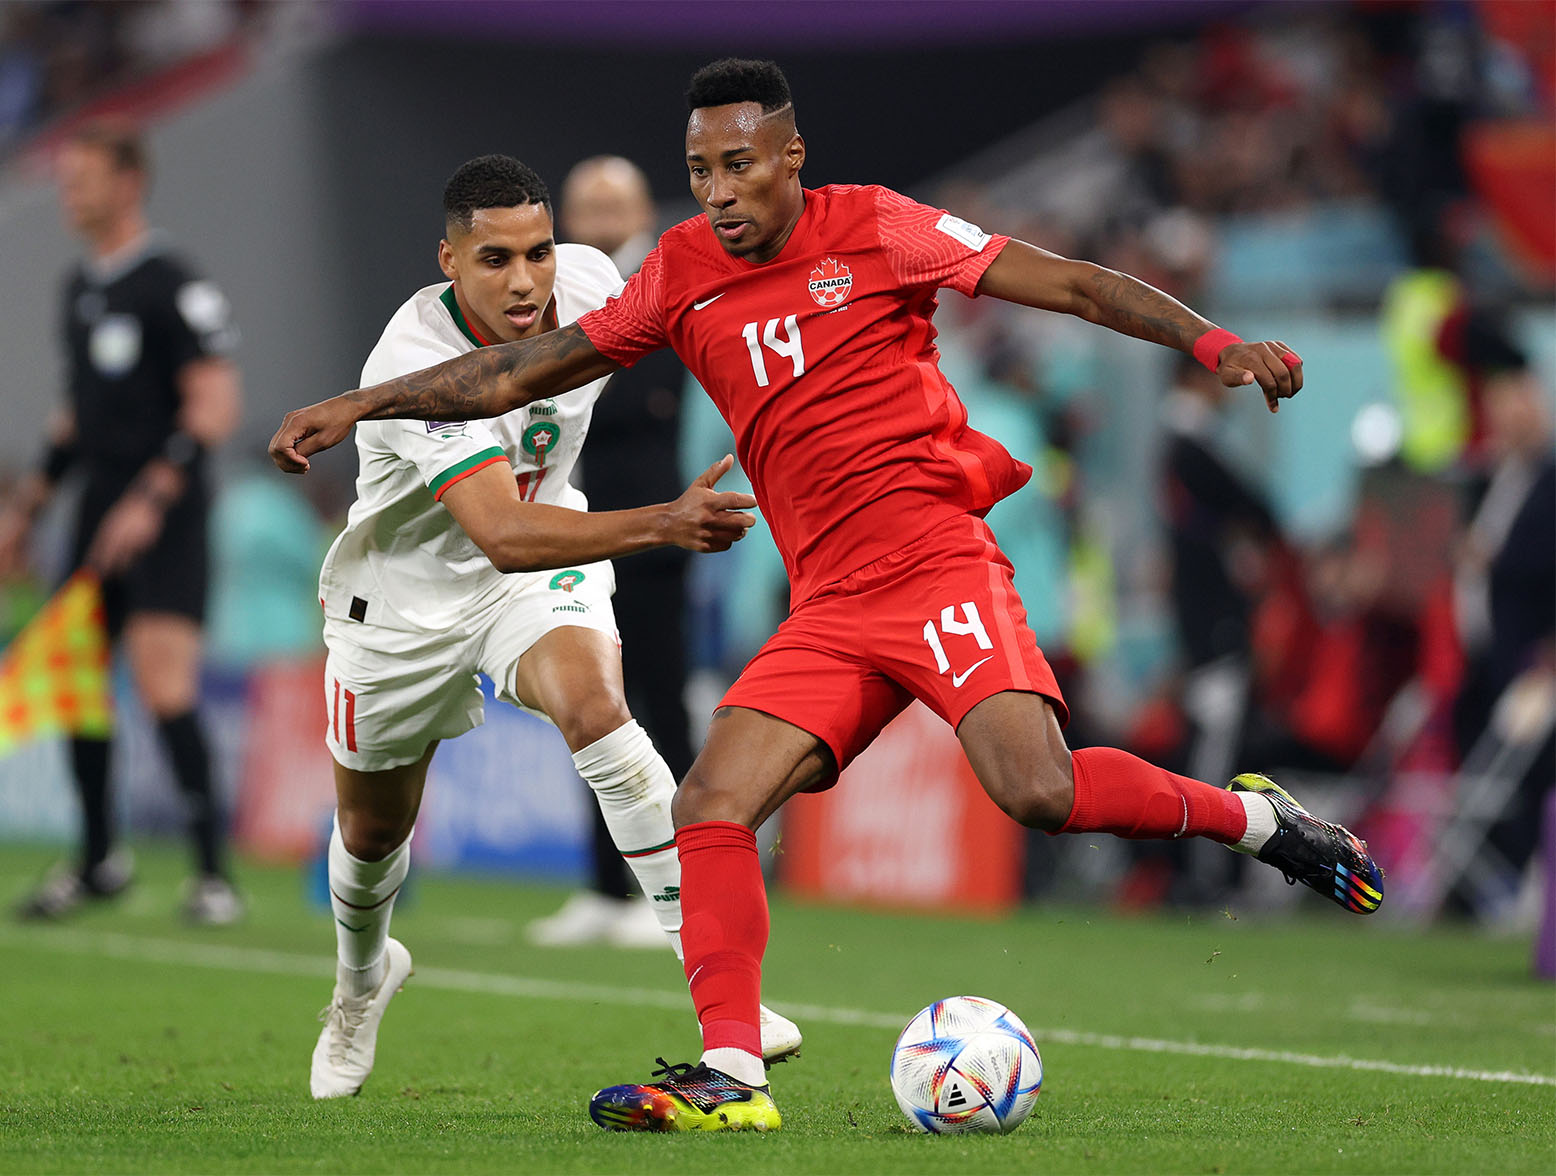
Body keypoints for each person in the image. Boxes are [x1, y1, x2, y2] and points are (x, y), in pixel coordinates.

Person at [269, 60, 1385, 1133]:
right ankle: (730, 1071)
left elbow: (1076, 283)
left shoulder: (880, 226)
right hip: (830, 606)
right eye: (699, 170)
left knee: (1035, 791)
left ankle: (1253, 819)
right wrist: (357, 404)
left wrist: (1211, 339)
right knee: (708, 805)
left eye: (738, 166)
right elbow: (510, 374)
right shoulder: (678, 271)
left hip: (937, 561)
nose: (718, 193)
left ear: (790, 156)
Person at [304, 154, 801, 1101]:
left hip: (541, 566)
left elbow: (708, 313)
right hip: (404, 603)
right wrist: (660, 522)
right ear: (447, 260)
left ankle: (724, 1002)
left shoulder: (589, 281)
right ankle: (361, 983)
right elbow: (498, 531)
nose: (526, 280)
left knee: (599, 709)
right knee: (372, 834)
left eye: (537, 250)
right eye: (495, 259)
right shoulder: (410, 359)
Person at [1, 119, 243, 925]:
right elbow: (77, 414)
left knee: (162, 680)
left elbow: (215, 401)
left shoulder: (171, 281)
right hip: (95, 510)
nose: (70, 192)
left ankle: (213, 876)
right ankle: (99, 858)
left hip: (164, 512)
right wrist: (30, 504)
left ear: (128, 181)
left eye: (84, 178)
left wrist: (152, 496)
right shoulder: (80, 286)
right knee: (78, 681)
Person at [526, 155, 695, 950]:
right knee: (590, 705)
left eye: (608, 206)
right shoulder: (561, 296)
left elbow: (635, 400)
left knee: (657, 708)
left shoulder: (659, 287)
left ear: (636, 213)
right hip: (579, 528)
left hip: (648, 526)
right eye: (582, 208)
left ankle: (686, 887)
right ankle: (603, 885)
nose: (594, 221)